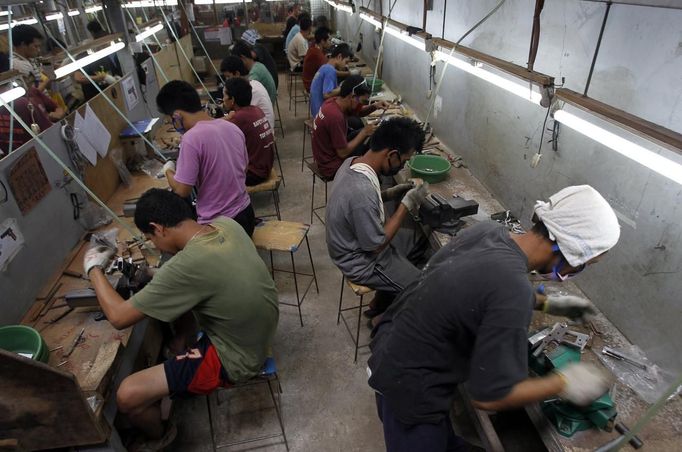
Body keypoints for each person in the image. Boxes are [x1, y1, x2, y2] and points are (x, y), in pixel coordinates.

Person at [368, 185, 620, 452]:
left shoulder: (490, 231)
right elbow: (489, 396)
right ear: (568, 253)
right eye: (582, 264)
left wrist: (548, 304)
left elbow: (481, 285)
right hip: (407, 388)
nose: (575, 271)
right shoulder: (512, 288)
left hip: (393, 342)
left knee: (441, 439)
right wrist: (564, 382)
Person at [83, 188, 279, 450]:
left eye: (150, 239)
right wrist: (154, 274)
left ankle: (159, 435)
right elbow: (200, 275)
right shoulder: (226, 225)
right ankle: (181, 352)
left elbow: (118, 317)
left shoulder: (185, 266)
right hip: (257, 330)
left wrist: (94, 268)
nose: (153, 245)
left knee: (127, 395)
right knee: (178, 324)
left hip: (237, 358)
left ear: (158, 228)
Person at [326, 117, 430, 321]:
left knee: (419, 239)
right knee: (423, 289)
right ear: (391, 155)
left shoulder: (353, 163)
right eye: (404, 161)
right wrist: (406, 205)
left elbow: (362, 204)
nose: (403, 166)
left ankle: (380, 302)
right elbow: (376, 245)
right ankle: (382, 323)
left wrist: (391, 193)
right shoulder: (361, 191)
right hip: (360, 261)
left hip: (355, 242)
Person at [156, 80, 256, 236]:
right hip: (246, 215)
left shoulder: (191, 139)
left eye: (171, 119)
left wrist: (169, 169)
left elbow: (182, 191)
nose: (173, 123)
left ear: (177, 115)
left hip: (219, 229)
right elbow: (244, 167)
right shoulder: (232, 127)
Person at [311, 75, 389, 179]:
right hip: (331, 166)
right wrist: (364, 132)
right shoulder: (336, 117)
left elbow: (358, 111)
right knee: (373, 149)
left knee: (365, 134)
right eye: (361, 101)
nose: (361, 105)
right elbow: (342, 153)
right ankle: (372, 183)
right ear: (352, 96)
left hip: (326, 154)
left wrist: (374, 106)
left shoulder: (334, 102)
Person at [223, 77, 275, 186]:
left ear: (232, 100)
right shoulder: (256, 110)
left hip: (254, 174)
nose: (223, 99)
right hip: (266, 166)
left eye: (224, 95)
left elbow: (218, 135)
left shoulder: (239, 118)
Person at [220, 55, 275, 130]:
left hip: (263, 132)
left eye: (228, 77)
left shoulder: (251, 90)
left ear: (237, 74)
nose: (226, 81)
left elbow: (239, 117)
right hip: (259, 128)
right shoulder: (251, 84)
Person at [74, 21, 123, 101]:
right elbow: (78, 78)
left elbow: (112, 74)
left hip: (111, 96)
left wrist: (116, 78)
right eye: (104, 42)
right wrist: (102, 77)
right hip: (95, 100)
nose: (108, 44)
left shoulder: (105, 55)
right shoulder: (85, 55)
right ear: (94, 37)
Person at [309, 43, 353, 117]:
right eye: (346, 62)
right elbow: (327, 94)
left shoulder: (325, 67)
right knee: (352, 118)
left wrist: (348, 73)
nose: (346, 65)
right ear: (339, 57)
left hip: (316, 110)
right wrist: (343, 87)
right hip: (321, 114)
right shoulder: (330, 71)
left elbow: (336, 73)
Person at [10, 25, 47, 91]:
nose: (39, 50)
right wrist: (48, 78)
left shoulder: (30, 59)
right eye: (35, 46)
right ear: (23, 44)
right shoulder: (19, 65)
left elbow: (40, 80)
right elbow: (34, 91)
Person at [302, 26, 330, 93]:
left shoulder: (314, 46)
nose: (330, 42)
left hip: (309, 82)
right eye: (329, 40)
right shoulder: (316, 53)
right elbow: (328, 71)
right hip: (311, 86)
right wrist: (348, 73)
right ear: (322, 41)